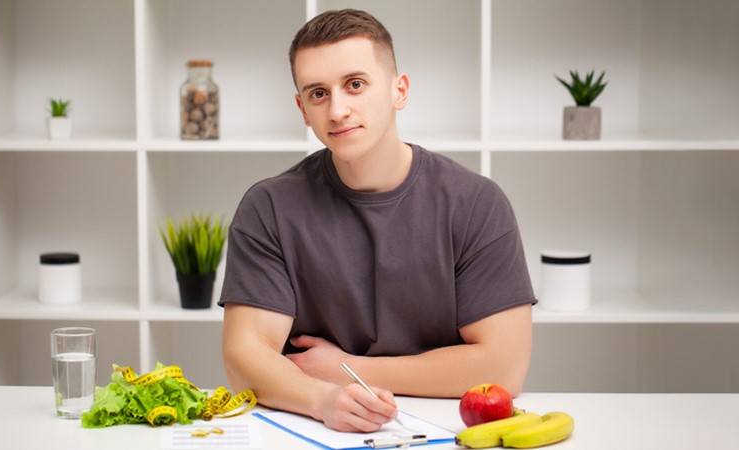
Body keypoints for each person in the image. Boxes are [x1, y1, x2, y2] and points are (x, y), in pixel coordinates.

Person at [218, 9, 536, 432]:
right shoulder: (269, 207)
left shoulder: (476, 202)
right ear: (302, 109)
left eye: (355, 85)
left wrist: (348, 368)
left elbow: (503, 366)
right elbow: (245, 356)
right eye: (318, 93)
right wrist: (323, 399)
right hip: (315, 426)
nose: (338, 110)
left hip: (447, 428)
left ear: (398, 90)